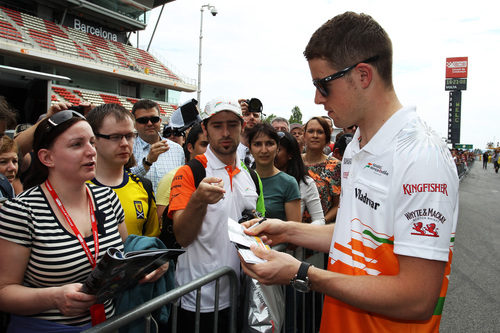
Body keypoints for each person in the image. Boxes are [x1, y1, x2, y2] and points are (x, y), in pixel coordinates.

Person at [240, 11, 459, 333]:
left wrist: (302, 274)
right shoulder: (358, 144)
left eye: (323, 85)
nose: (316, 98)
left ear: (362, 75)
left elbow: (417, 298)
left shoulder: (421, 156)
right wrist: (287, 230)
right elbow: (356, 238)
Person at [0, 110, 168, 331]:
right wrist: (53, 297)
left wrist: (148, 266)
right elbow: (4, 291)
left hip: (108, 324)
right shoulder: (21, 211)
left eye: (91, 142)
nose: (91, 151)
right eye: (77, 144)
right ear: (47, 157)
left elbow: (123, 257)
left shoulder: (108, 198)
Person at [167, 98, 265, 333]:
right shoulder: (190, 171)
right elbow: (182, 237)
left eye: (232, 125)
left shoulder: (249, 175)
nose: (225, 132)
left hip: (240, 294)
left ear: (242, 127)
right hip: (197, 298)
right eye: (217, 125)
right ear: (205, 129)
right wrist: (198, 201)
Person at [86, 103, 160, 237]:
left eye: (130, 136)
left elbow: (150, 243)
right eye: (115, 137)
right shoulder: (76, 187)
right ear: (93, 139)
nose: (125, 143)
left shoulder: (143, 186)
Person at [248, 123, 301, 222]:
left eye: (269, 143)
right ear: (250, 149)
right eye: (257, 144)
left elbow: (294, 228)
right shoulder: (243, 179)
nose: (264, 150)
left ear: (277, 148)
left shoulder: (288, 183)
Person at [156, 123, 208, 219]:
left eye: (213, 144)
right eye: (204, 144)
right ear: (190, 147)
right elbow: (160, 220)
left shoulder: (223, 175)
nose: (209, 150)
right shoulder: (172, 177)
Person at [131, 99, 185, 191]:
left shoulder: (177, 149)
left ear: (160, 121)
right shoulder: (128, 148)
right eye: (143, 120)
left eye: (154, 119)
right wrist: (147, 163)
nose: (149, 123)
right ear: (134, 124)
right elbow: (124, 180)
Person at [274, 131, 324, 224]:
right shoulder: (256, 178)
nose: (271, 153)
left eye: (278, 150)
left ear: (290, 154)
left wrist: (299, 231)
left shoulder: (305, 183)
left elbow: (319, 220)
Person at [302, 116, 341, 224]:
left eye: (320, 132)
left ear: (327, 137)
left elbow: (337, 204)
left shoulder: (335, 166)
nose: (315, 136)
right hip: (292, 228)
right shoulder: (294, 162)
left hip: (321, 230)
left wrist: (320, 223)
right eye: (310, 131)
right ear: (304, 136)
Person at [237, 98, 262, 168]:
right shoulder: (228, 146)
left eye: (255, 115)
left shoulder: (265, 148)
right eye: (246, 114)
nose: (252, 117)